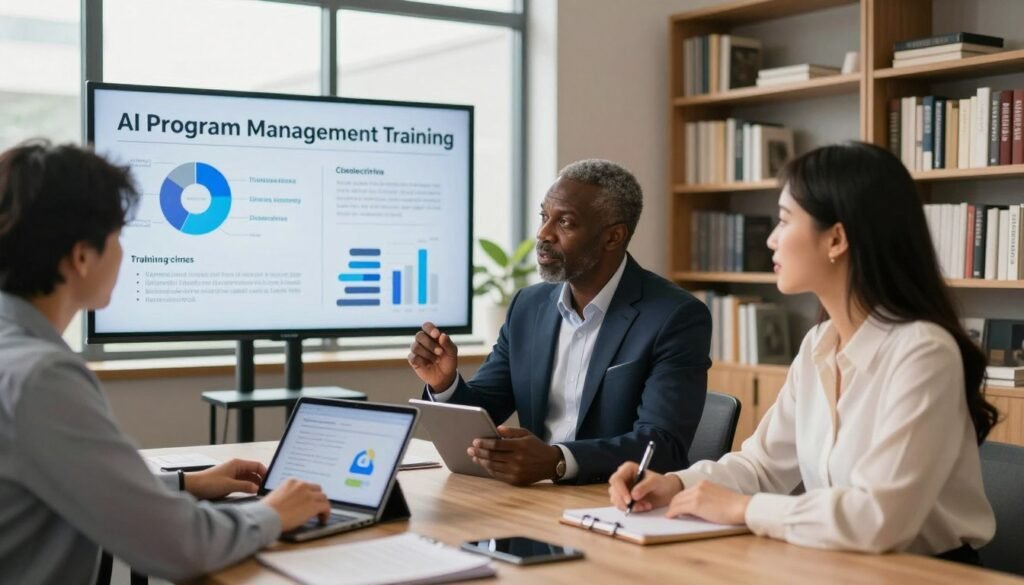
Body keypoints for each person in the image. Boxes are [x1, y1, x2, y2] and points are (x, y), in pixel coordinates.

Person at [609, 142, 998, 563]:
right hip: (843, 564)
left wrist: (742, 509)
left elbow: (879, 517)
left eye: (783, 220)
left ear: (836, 238)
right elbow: (762, 467)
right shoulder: (819, 343)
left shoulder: (923, 352)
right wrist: (675, 485)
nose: (772, 240)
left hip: (929, 574)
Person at [0, 140, 332, 584]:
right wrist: (272, 512)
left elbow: (70, 479)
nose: (124, 254)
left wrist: (186, 485)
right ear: (81, 257)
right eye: (118, 238)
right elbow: (181, 545)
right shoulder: (41, 378)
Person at [407, 159, 711, 486]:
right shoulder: (529, 306)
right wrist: (444, 384)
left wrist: (557, 461)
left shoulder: (674, 317)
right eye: (544, 216)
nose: (543, 233)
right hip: (532, 499)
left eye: (564, 222)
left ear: (613, 237)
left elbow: (661, 445)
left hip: (609, 501)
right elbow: (485, 410)